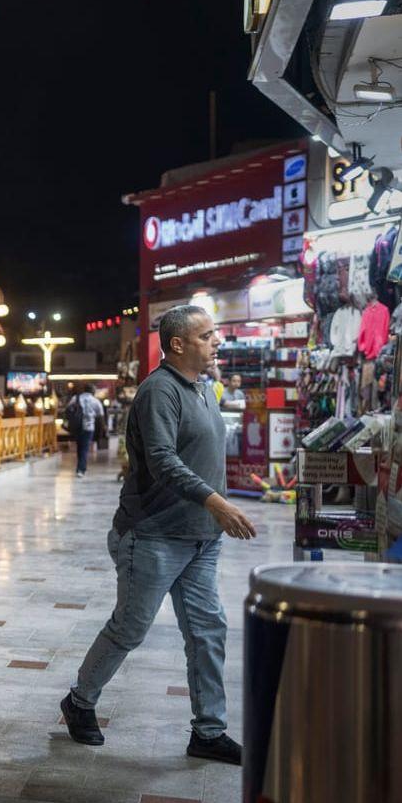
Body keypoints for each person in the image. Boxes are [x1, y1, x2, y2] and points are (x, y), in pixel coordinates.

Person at [61, 305, 255, 766]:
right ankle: (80, 701)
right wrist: (216, 501)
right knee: (130, 627)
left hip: (200, 539)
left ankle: (209, 731)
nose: (216, 343)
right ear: (178, 345)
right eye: (207, 336)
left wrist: (213, 512)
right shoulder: (158, 391)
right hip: (153, 536)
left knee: (209, 630)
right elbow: (164, 460)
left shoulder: (204, 387)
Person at [67, 385, 105, 477]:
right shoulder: (95, 401)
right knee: (84, 448)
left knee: (80, 447)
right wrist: (103, 428)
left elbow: (68, 409)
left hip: (77, 427)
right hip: (89, 427)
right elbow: (100, 416)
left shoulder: (75, 398)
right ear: (93, 391)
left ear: (84, 390)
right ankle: (81, 469)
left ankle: (81, 467)